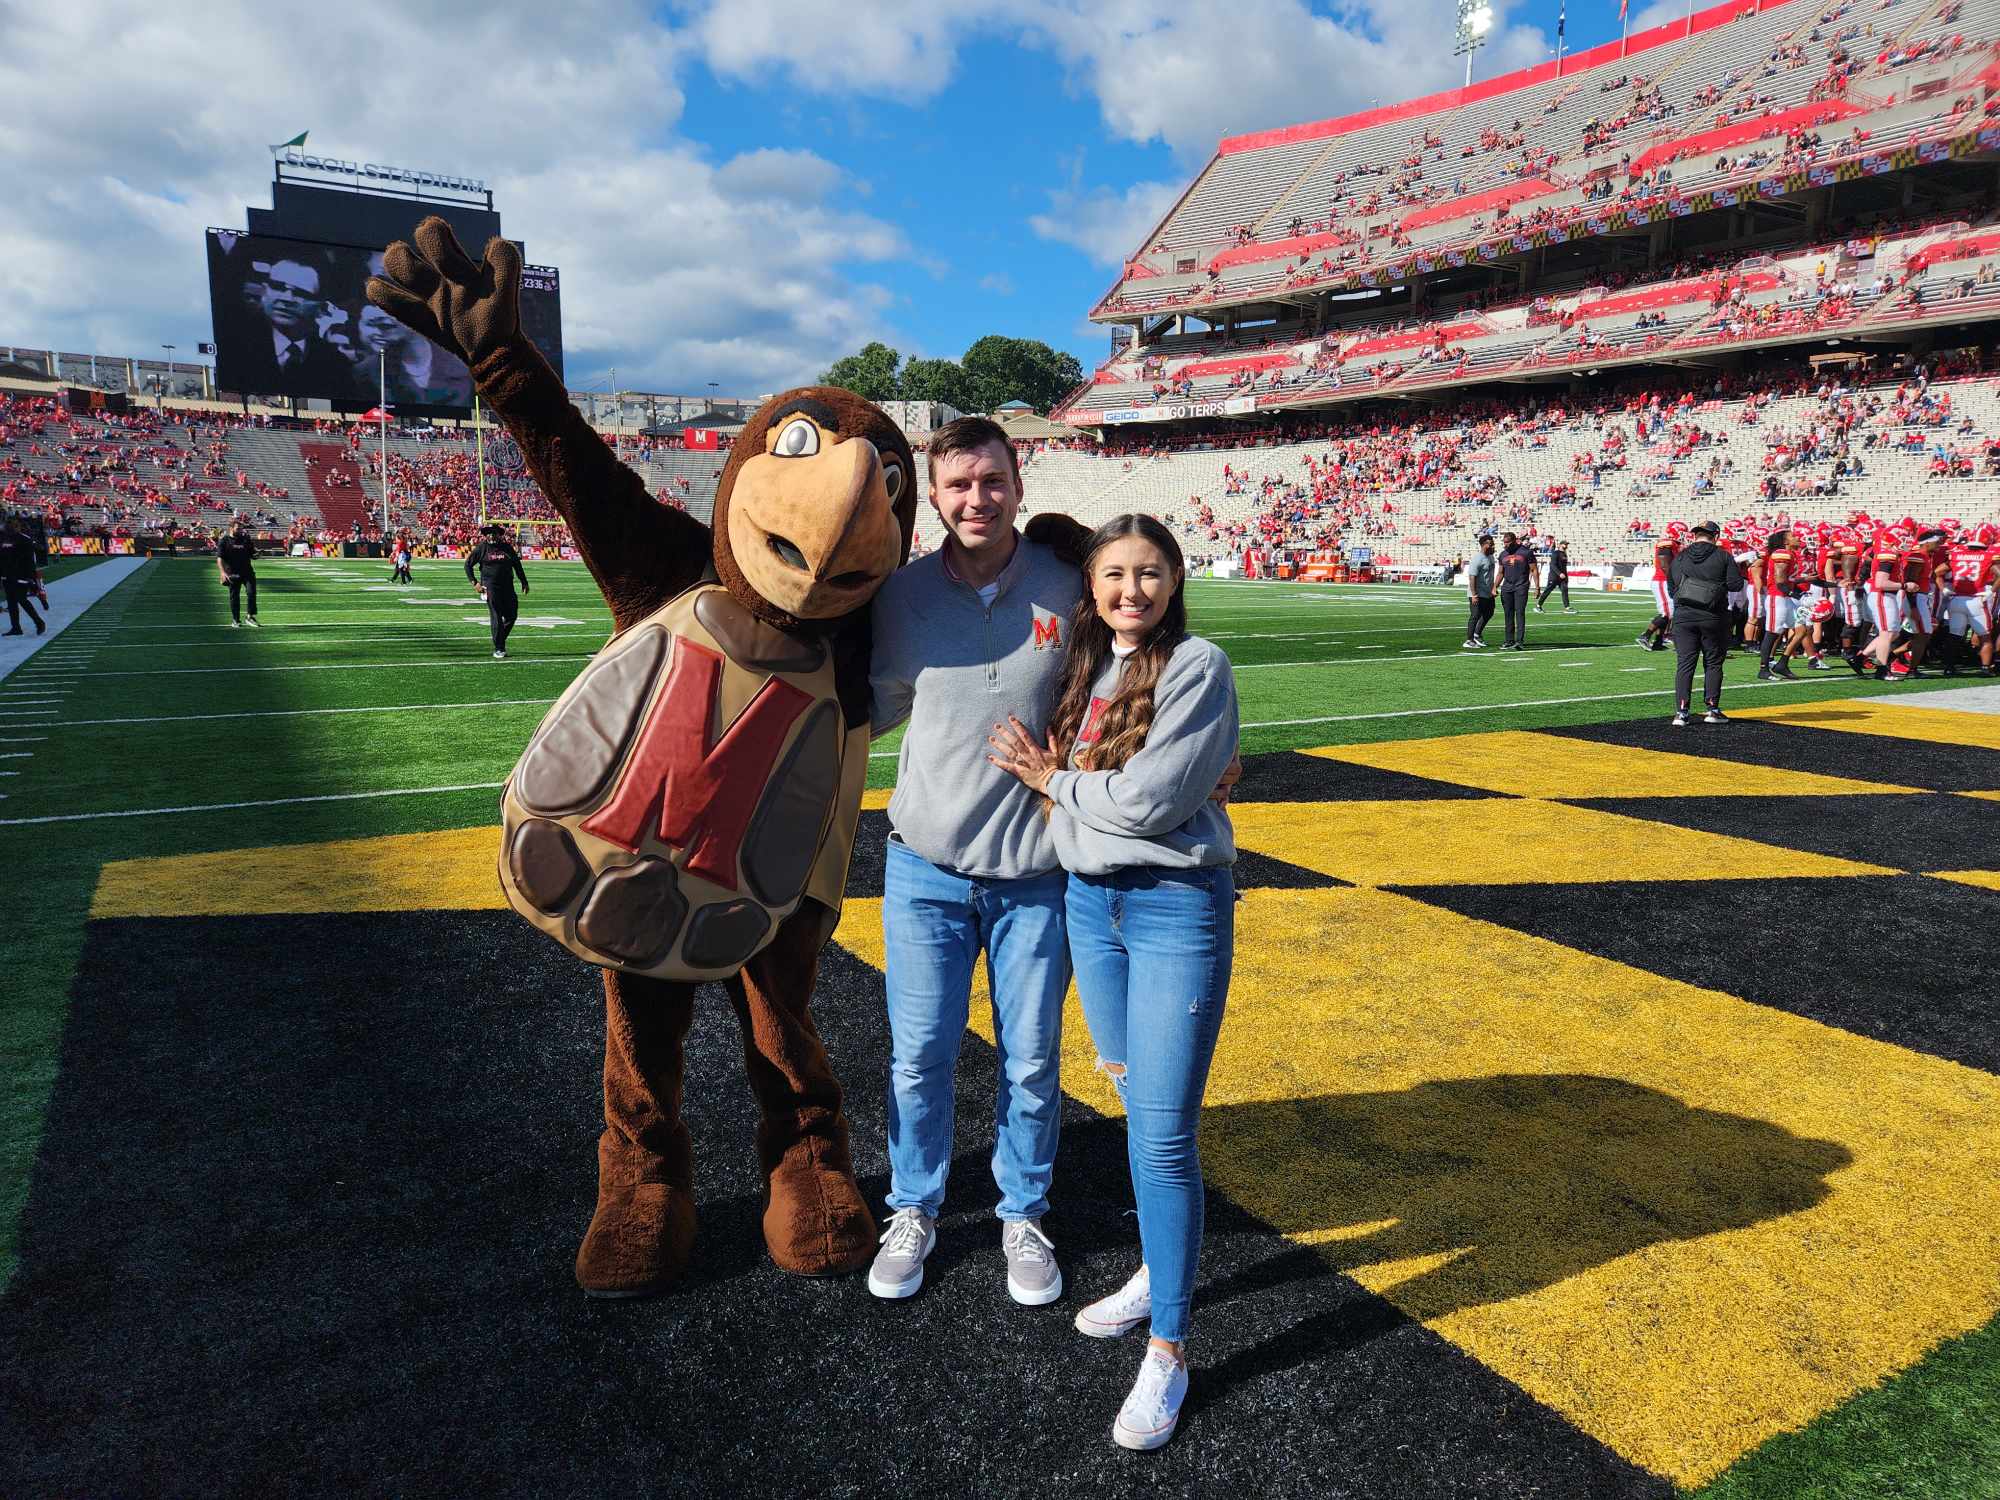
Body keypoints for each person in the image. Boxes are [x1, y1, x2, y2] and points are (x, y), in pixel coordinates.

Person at [985, 513, 1238, 1452]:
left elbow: (1149, 803)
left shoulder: (1197, 664)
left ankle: (1171, 1348)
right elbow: (1112, 803)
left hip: (1174, 911)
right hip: (1093, 910)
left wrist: (1057, 782)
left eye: (1149, 574)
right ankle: (1157, 1271)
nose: (1131, 590)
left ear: (1174, 581)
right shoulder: (1084, 672)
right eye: (1113, 575)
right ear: (1090, 585)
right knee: (1136, 1110)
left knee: (1166, 1137)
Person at [864, 416, 1082, 1307]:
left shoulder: (1070, 588)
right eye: (958, 485)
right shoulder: (900, 597)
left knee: (1030, 1059)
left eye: (991, 481)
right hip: (926, 868)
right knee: (919, 1054)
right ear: (935, 495)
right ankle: (912, 1204)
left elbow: (1127, 694)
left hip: (1036, 873)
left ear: (1019, 485)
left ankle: (1022, 1211)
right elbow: (862, 710)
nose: (976, 499)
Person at [1666, 520, 1743, 726]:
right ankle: (1712, 709)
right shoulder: (1723, 556)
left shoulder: (1680, 556)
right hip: (1713, 616)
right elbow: (1736, 584)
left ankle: (1681, 712)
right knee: (1713, 663)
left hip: (1684, 616)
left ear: (1694, 535)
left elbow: (1671, 588)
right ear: (1715, 536)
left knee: (1685, 665)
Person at [465, 522, 528, 658]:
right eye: (489, 532)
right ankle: (499, 648)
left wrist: (524, 581)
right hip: (490, 586)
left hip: (508, 586)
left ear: (499, 534)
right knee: (497, 616)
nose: (492, 535)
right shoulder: (482, 548)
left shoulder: (507, 548)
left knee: (512, 615)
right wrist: (474, 582)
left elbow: (517, 565)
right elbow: (468, 565)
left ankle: (499, 639)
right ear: (486, 535)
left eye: (494, 532)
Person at [0, 513, 46, 636]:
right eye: (7, 525)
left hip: (21, 575)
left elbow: (29, 560)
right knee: (10, 602)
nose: (9, 528)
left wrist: (30, 577)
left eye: (12, 525)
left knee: (22, 599)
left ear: (17, 526)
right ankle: (16, 628)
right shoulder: (3, 538)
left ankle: (39, 622)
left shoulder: (24, 539)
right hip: (7, 574)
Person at [1495, 531, 1540, 650]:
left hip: (1521, 586)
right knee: (1508, 614)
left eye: (1508, 543)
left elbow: (1534, 570)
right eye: (1504, 543)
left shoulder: (1526, 552)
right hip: (1506, 588)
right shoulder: (1502, 554)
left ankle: (1519, 641)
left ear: (1515, 541)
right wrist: (1494, 587)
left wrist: (1537, 587)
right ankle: (1509, 640)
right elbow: (1500, 572)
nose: (1505, 545)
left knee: (1519, 613)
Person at [217, 516, 260, 628]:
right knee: (234, 596)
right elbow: (219, 558)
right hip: (232, 572)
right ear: (231, 528)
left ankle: (250, 617)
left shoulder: (246, 539)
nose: (240, 531)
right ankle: (235, 619)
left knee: (251, 593)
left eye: (241, 529)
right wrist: (222, 572)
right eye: (238, 529)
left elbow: (252, 554)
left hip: (247, 572)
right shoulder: (224, 541)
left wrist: (257, 555)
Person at [1462, 532, 1496, 648]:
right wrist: (1474, 594)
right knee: (1475, 615)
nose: (1493, 546)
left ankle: (1477, 634)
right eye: (1490, 544)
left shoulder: (1491, 557)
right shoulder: (1477, 559)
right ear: (1483, 545)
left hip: (1488, 592)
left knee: (1489, 613)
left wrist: (1493, 588)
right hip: (1477, 593)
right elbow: (1472, 577)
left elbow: (1490, 575)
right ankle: (1469, 640)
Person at [1535, 539, 1573, 613]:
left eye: (1567, 544)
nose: (1566, 546)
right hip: (1554, 576)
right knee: (1547, 591)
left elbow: (1564, 567)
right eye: (1565, 544)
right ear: (1561, 545)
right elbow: (1553, 565)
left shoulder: (1564, 554)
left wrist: (1565, 576)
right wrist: (1559, 573)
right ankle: (1538, 606)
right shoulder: (1556, 553)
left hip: (1562, 578)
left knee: (1565, 591)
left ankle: (1567, 607)